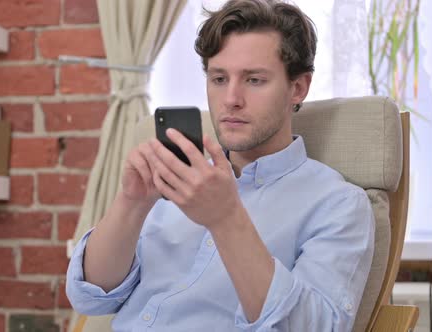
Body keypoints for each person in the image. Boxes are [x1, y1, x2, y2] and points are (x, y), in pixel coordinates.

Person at [66, 0, 375, 331]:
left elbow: (311, 327)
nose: (231, 99)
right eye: (218, 79)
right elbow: (91, 298)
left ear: (297, 87)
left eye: (254, 80)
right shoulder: (174, 180)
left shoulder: (339, 204)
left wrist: (225, 218)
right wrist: (132, 204)